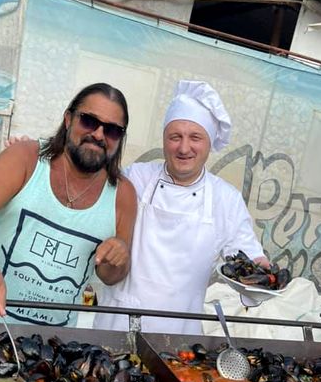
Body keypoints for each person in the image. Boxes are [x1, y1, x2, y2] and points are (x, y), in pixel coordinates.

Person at [93, 79, 269, 335]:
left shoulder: (226, 200)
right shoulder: (135, 178)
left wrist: (261, 274)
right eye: (175, 137)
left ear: (209, 142)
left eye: (195, 137)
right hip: (118, 324)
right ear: (164, 140)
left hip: (179, 335)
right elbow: (90, 196)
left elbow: (247, 258)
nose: (184, 148)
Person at [0, 82, 137, 327]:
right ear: (68, 119)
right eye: (89, 121)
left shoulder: (123, 194)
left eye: (113, 130)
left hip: (55, 344)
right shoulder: (25, 157)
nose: (98, 135)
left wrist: (118, 258)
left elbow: (111, 276)